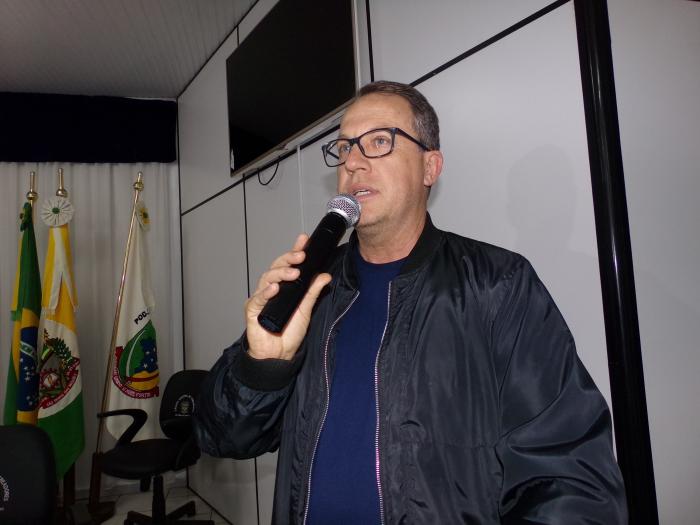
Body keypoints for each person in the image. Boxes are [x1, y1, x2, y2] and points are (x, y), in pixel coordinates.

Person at [194, 81, 628, 524]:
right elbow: (222, 436)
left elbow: (571, 482)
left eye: (379, 141)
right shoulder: (311, 291)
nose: (353, 162)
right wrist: (262, 366)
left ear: (430, 166)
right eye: (344, 147)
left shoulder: (498, 285)